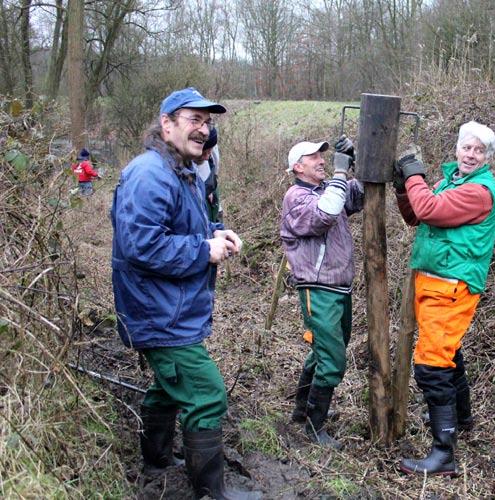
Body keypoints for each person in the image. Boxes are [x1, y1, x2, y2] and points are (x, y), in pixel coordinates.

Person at [111, 87, 260, 499]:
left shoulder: (180, 170)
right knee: (207, 392)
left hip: (169, 309)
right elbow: (141, 245)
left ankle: (156, 461)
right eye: (194, 119)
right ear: (167, 123)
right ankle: (210, 491)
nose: (203, 129)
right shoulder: (150, 174)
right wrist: (202, 250)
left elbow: (180, 226)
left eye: (207, 122)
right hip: (157, 313)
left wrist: (216, 233)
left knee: (168, 384)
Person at [393, 121, 495, 476]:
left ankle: (444, 453)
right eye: (466, 147)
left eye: (478, 150)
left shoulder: (478, 192)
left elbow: (429, 210)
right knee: (448, 352)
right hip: (436, 282)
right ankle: (462, 420)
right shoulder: (452, 181)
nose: (470, 155)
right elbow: (416, 215)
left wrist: (414, 175)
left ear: (487, 157)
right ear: (456, 149)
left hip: (452, 286)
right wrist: (404, 186)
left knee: (431, 364)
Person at [280, 136, 364, 448]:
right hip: (319, 287)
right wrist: (341, 175)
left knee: (321, 353)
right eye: (313, 156)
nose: (321, 160)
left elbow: (362, 192)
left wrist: (357, 159)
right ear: (297, 167)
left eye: (322, 155)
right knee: (333, 361)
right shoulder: (296, 197)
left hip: (339, 286)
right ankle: (314, 430)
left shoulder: (329, 189)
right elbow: (325, 213)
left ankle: (301, 413)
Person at [195, 126, 223, 223]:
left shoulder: (212, 149)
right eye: (203, 153)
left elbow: (215, 168)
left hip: (214, 207)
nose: (207, 157)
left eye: (209, 152)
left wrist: (211, 189)